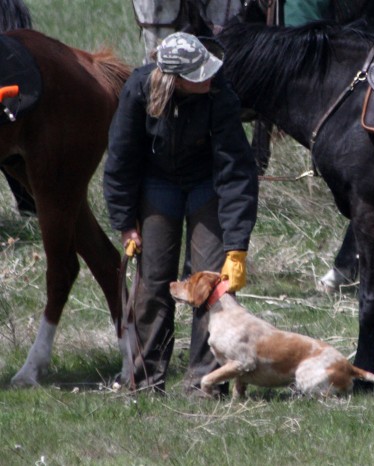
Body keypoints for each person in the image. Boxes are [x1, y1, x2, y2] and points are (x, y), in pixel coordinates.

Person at [103, 32, 258, 394]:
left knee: (209, 286)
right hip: (158, 185)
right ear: (176, 79)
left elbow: (237, 169)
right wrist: (126, 224)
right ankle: (144, 382)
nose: (208, 77)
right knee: (154, 283)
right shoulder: (139, 90)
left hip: (208, 184)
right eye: (198, 74)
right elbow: (121, 160)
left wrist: (236, 246)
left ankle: (205, 384)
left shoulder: (219, 94)